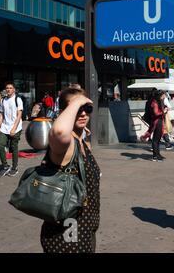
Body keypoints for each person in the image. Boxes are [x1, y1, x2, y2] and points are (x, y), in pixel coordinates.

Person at [40, 87, 100, 253]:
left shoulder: (79, 141)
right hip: (66, 235)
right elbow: (59, 131)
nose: (82, 114)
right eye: (76, 109)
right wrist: (80, 101)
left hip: (84, 230)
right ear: (64, 111)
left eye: (86, 109)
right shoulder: (65, 146)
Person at [0, 82, 24, 178]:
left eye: (10, 88)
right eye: (7, 88)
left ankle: (14, 167)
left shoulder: (18, 99)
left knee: (13, 148)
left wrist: (13, 128)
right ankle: (5, 166)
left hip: (16, 127)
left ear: (14, 90)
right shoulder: (3, 100)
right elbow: (1, 115)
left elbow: (19, 115)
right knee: (0, 145)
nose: (8, 89)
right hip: (5, 127)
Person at [150, 90, 167, 161]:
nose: (164, 96)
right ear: (160, 95)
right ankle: (155, 155)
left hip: (160, 121)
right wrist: (164, 111)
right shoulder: (155, 102)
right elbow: (156, 113)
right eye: (163, 95)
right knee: (155, 139)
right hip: (157, 122)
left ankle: (158, 154)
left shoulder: (159, 101)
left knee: (158, 139)